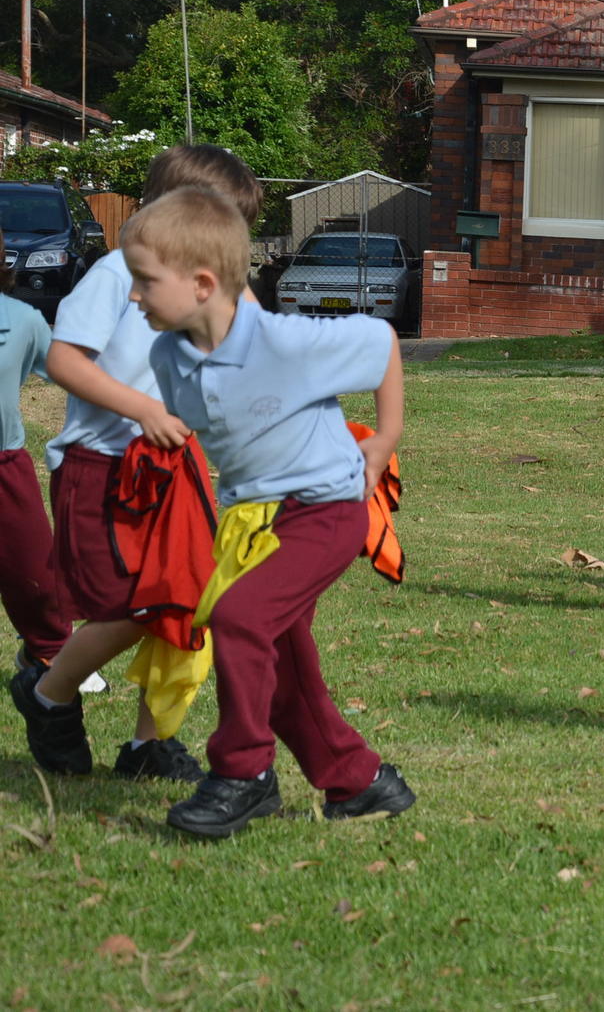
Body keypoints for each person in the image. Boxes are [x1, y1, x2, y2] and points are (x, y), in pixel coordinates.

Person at [121, 187, 413, 837]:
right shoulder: (168, 355)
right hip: (253, 522)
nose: (133, 296)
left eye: (143, 281)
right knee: (279, 665)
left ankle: (243, 774)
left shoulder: (286, 341)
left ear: (202, 283)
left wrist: (385, 438)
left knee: (240, 617)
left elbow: (381, 341)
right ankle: (360, 780)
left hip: (327, 509)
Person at [11, 145, 260, 782]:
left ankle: (147, 747)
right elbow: (66, 362)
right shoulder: (117, 272)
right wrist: (142, 409)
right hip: (102, 470)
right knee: (129, 604)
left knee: (184, 605)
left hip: (175, 473)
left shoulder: (216, 282)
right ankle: (49, 695)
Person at [0, 232, 68, 692]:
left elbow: (73, 371)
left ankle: (49, 651)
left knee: (35, 573)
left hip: (5, 463)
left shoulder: (22, 318)